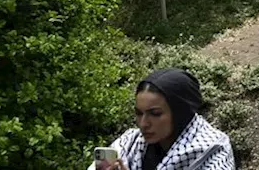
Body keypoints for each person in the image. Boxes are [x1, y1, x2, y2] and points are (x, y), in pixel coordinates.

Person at [91, 69, 234, 170]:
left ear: (180, 113)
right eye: (139, 113)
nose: (143, 124)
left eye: (155, 114)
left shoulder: (212, 150)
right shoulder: (130, 143)